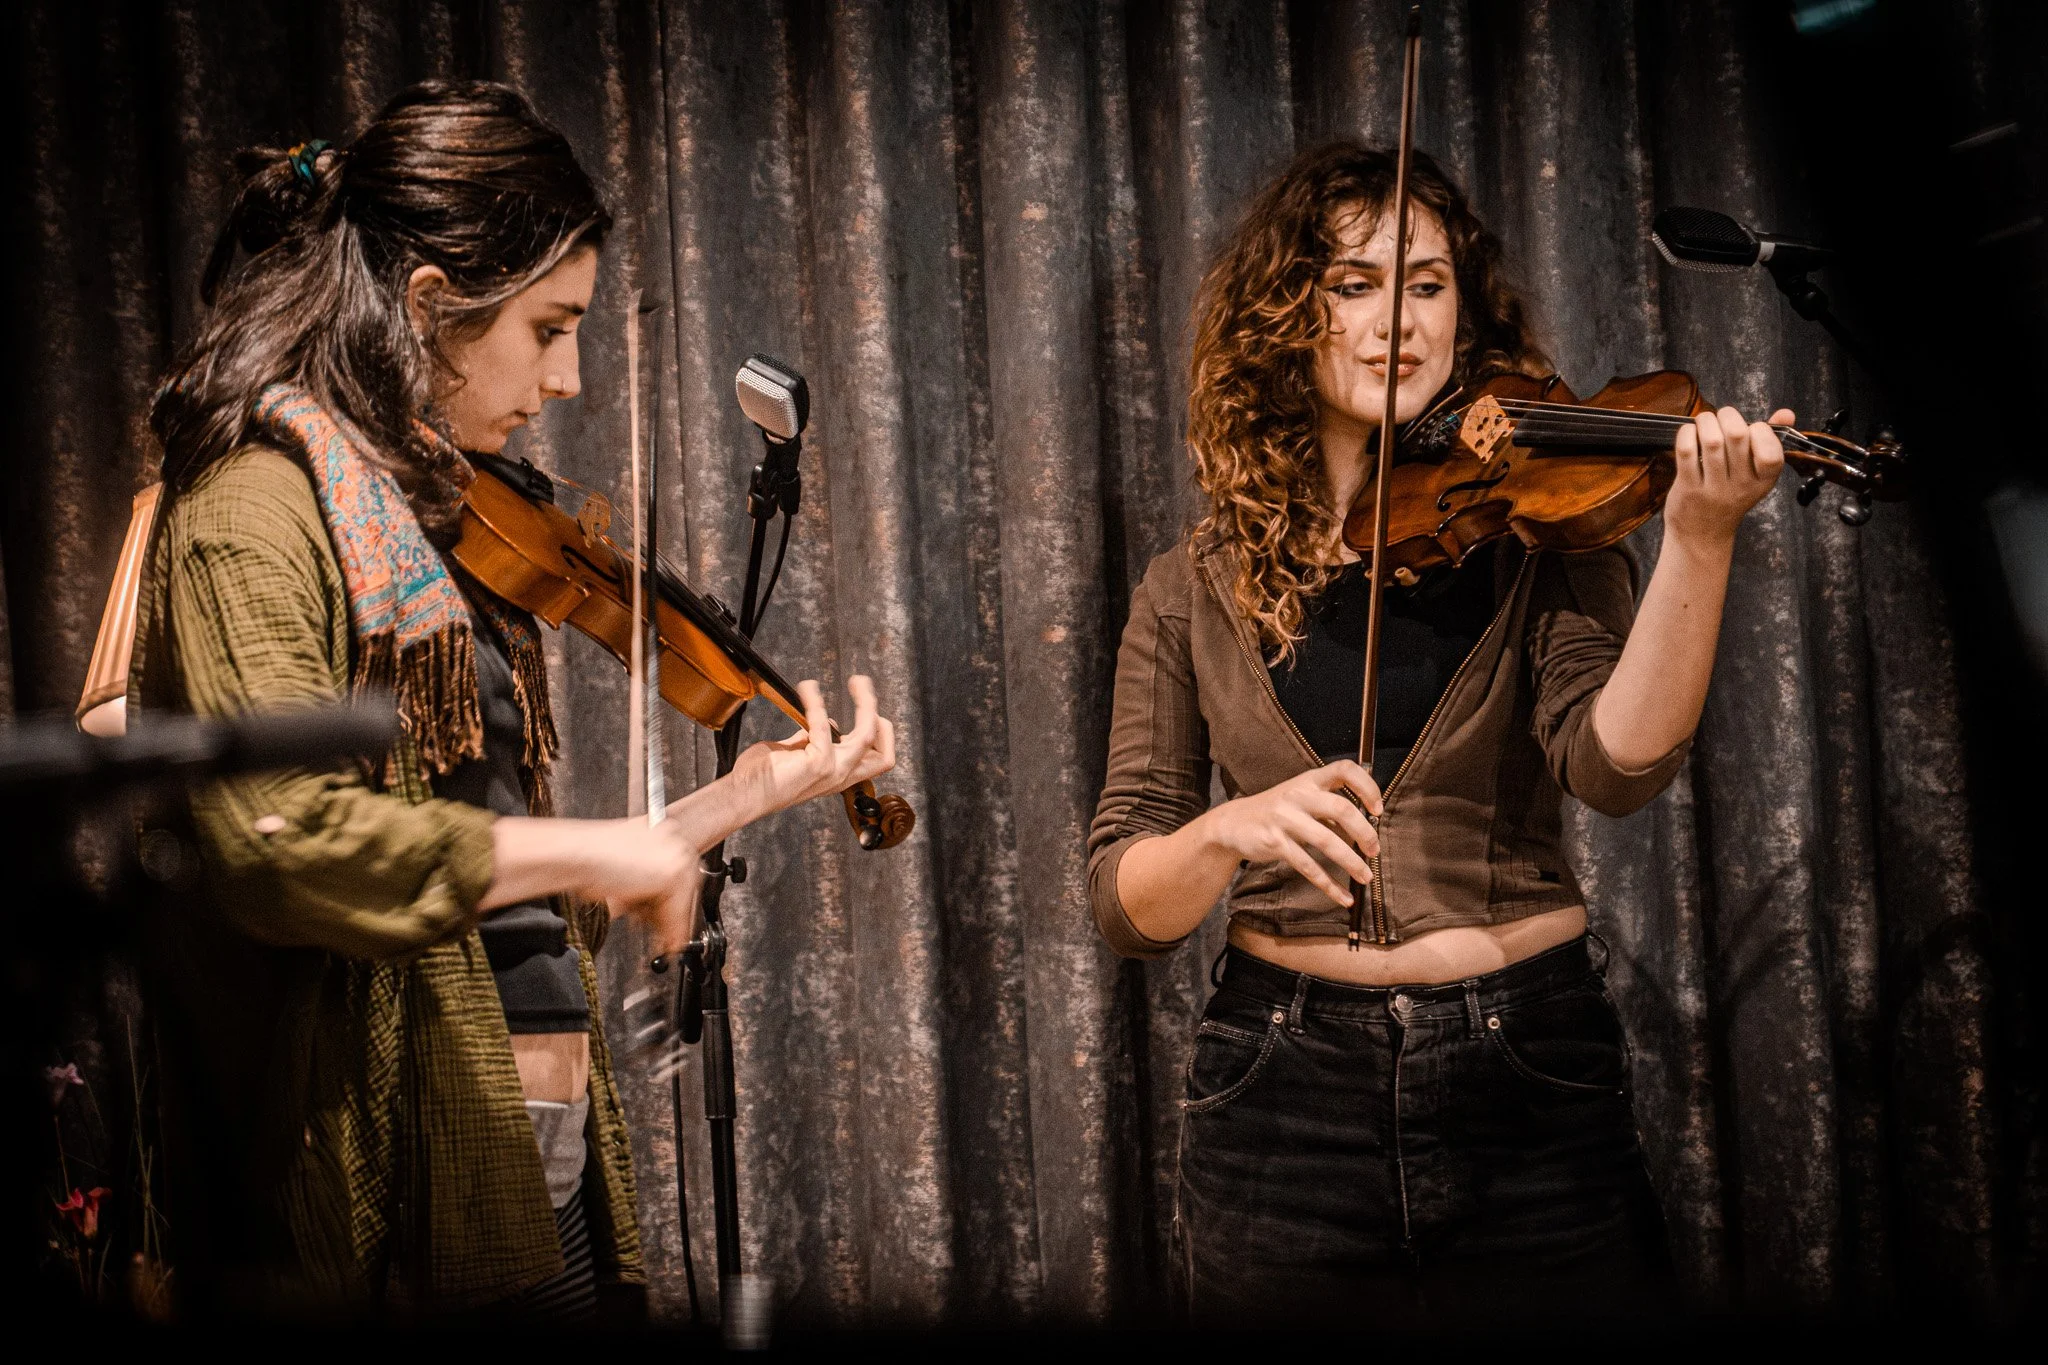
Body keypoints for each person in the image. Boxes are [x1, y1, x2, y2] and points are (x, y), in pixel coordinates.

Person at [132, 79, 895, 1319]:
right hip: (398, 1178)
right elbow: (282, 845)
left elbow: (494, 893)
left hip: (531, 1146)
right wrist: (608, 846)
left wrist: (737, 800)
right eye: (550, 328)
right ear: (430, 306)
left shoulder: (428, 517)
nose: (573, 375)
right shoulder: (251, 508)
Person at [1088, 140, 1789, 1322]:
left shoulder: (1545, 520)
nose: (1392, 320)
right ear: (1286, 315)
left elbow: (1613, 767)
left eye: (1424, 284)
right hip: (1277, 1092)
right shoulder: (1187, 585)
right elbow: (1123, 900)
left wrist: (1700, 539)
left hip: (1528, 1071)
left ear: (1462, 311)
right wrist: (1227, 831)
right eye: (1351, 284)